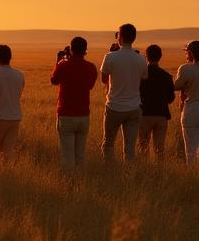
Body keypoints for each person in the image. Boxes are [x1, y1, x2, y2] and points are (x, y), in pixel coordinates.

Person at [99, 23, 148, 162]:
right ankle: (129, 173)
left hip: (114, 105)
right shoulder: (141, 59)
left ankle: (109, 172)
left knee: (108, 143)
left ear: (119, 37)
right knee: (130, 147)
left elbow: (103, 79)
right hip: (134, 107)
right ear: (133, 38)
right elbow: (144, 77)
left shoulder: (110, 57)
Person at [50, 36, 98, 170]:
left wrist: (59, 61)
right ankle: (81, 181)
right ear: (85, 50)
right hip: (83, 116)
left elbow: (54, 80)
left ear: (71, 49)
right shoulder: (91, 67)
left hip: (66, 115)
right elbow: (90, 86)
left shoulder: (63, 65)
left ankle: (70, 185)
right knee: (80, 155)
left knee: (67, 156)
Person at [138, 44, 175, 159]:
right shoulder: (167, 76)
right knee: (159, 148)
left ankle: (144, 171)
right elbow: (171, 98)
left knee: (142, 147)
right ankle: (160, 172)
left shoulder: (141, 75)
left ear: (146, 57)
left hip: (145, 114)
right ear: (160, 56)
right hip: (161, 115)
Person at [0, 44, 25, 158]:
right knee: (8, 152)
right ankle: (7, 173)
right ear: (10, 57)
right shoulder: (20, 74)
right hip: (15, 117)